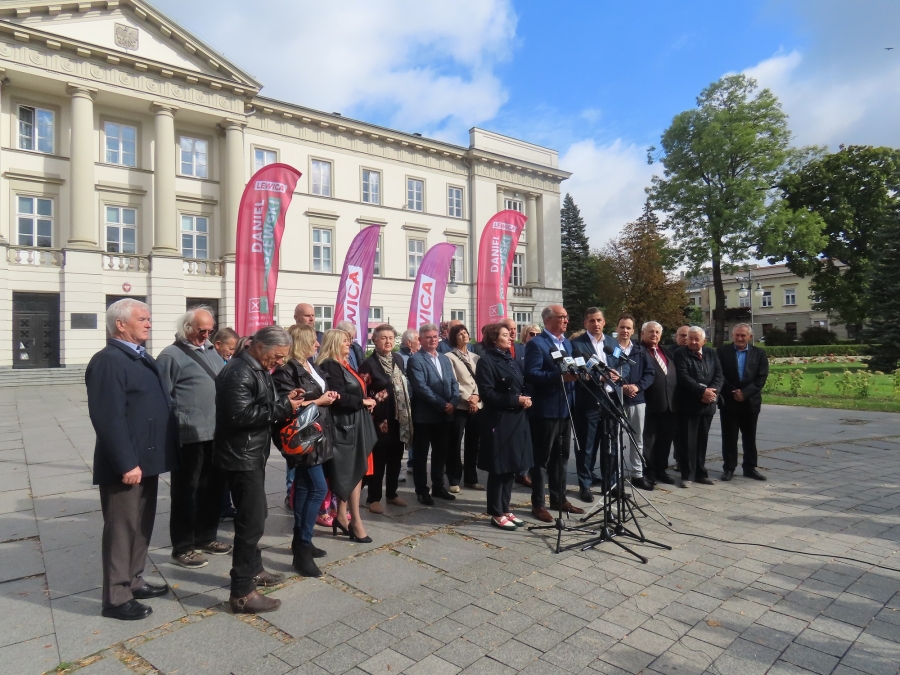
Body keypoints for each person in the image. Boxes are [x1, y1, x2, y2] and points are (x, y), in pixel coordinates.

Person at [86, 299, 176, 620]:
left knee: (141, 526)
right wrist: (125, 462)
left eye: (149, 318)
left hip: (147, 459)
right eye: (142, 319)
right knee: (121, 530)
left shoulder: (138, 355)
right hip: (127, 465)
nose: (149, 323)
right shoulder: (108, 361)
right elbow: (108, 417)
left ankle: (134, 580)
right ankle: (116, 597)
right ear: (120, 324)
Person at [214, 326, 302, 614]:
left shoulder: (257, 367)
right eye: (277, 356)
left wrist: (286, 401)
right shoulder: (239, 372)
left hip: (251, 453)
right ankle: (242, 592)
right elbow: (239, 416)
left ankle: (255, 569)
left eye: (284, 357)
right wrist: (284, 408)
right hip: (240, 456)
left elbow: (261, 403)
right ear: (260, 346)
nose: (280, 362)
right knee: (251, 523)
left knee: (257, 514)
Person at [157, 305, 231, 571]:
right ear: (187, 328)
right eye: (201, 330)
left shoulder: (211, 351)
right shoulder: (171, 355)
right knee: (186, 492)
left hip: (216, 433)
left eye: (210, 330)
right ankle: (183, 547)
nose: (206, 335)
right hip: (189, 435)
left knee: (213, 488)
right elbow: (161, 397)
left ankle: (206, 536)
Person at [272, 324, 339, 577]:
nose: (318, 344)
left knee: (303, 488)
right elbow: (285, 406)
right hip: (302, 438)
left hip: (317, 435)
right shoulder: (286, 370)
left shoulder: (311, 366)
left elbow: (317, 393)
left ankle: (302, 542)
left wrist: (328, 396)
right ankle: (302, 548)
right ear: (301, 342)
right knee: (317, 488)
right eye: (313, 340)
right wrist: (319, 401)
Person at [524, 305, 584, 522]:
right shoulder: (537, 344)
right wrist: (559, 377)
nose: (566, 320)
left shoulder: (566, 343)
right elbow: (531, 374)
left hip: (565, 409)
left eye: (567, 317)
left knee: (561, 457)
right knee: (541, 459)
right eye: (562, 317)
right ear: (548, 320)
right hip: (545, 410)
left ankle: (559, 498)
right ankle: (538, 503)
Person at [318, 329, 377, 543]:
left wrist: (366, 400)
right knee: (350, 471)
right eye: (344, 341)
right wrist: (362, 402)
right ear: (334, 343)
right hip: (344, 426)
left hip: (355, 423)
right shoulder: (330, 365)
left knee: (354, 471)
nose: (349, 343)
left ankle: (342, 516)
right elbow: (338, 396)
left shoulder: (343, 364)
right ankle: (355, 521)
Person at [476, 323, 533, 530]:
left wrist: (525, 397)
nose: (511, 338)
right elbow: (487, 394)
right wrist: (515, 400)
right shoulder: (486, 361)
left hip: (516, 419)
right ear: (494, 339)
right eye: (505, 335)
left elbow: (520, 384)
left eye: (510, 335)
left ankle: (505, 508)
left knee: (510, 467)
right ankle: (496, 512)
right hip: (499, 420)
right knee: (499, 469)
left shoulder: (511, 359)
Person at [359, 324, 411, 513]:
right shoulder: (368, 364)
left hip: (399, 417)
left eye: (391, 338)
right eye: (384, 338)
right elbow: (361, 391)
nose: (388, 341)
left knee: (396, 457)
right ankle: (373, 498)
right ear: (375, 340)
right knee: (379, 459)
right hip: (379, 419)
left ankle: (392, 493)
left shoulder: (398, 359)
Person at [407, 322, 460, 504]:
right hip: (424, 416)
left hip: (444, 416)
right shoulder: (416, 360)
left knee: (440, 454)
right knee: (421, 456)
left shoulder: (444, 359)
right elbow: (421, 388)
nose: (432, 340)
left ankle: (438, 486)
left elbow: (453, 382)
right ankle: (422, 490)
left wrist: (454, 402)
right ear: (420, 340)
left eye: (435, 337)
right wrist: (443, 404)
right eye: (428, 337)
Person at [570, 307, 618, 502]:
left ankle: (610, 483)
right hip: (588, 401)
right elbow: (578, 373)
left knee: (610, 446)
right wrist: (600, 378)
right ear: (585, 323)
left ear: (604, 322)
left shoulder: (612, 342)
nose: (596, 324)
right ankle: (585, 485)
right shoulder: (576, 344)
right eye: (591, 321)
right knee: (587, 446)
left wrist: (617, 374)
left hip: (610, 401)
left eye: (599, 320)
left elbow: (620, 363)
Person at [606, 314, 655, 491]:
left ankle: (637, 474)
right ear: (616, 328)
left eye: (628, 328)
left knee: (637, 439)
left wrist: (637, 387)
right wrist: (621, 386)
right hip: (615, 400)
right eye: (622, 327)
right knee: (615, 440)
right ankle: (616, 476)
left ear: (633, 331)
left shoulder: (640, 351)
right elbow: (606, 372)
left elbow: (650, 373)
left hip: (637, 400)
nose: (625, 331)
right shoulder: (610, 349)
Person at [717, 323, 769, 482]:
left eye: (743, 335)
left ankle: (750, 467)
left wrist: (745, 393)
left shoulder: (759, 354)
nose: (739, 338)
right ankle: (729, 468)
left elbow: (761, 377)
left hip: (750, 402)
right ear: (732, 336)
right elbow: (719, 374)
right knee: (729, 436)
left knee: (749, 437)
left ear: (750, 337)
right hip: (729, 400)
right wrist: (734, 392)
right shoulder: (722, 352)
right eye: (737, 335)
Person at [673, 326, 723, 488]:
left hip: (707, 405)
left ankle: (701, 473)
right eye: (690, 339)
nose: (693, 342)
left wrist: (712, 392)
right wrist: (702, 392)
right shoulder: (680, 354)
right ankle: (687, 475)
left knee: (702, 441)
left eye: (696, 339)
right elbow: (683, 377)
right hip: (688, 405)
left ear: (704, 341)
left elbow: (719, 375)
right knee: (688, 442)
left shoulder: (711, 353)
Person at [445, 323, 482, 492]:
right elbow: (453, 381)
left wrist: (477, 397)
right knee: (454, 442)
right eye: (459, 334)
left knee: (473, 443)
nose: (464, 335)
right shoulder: (449, 357)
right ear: (454, 338)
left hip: (477, 404)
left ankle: (471, 478)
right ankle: (454, 479)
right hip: (460, 405)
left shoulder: (476, 357)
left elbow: (481, 379)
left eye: (465, 332)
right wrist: (468, 398)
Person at [640, 321, 678, 486]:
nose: (654, 335)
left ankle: (661, 469)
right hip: (648, 403)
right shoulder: (639, 351)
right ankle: (647, 471)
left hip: (669, 404)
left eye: (657, 332)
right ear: (642, 333)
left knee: (665, 439)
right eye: (651, 332)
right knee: (648, 441)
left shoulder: (666, 352)